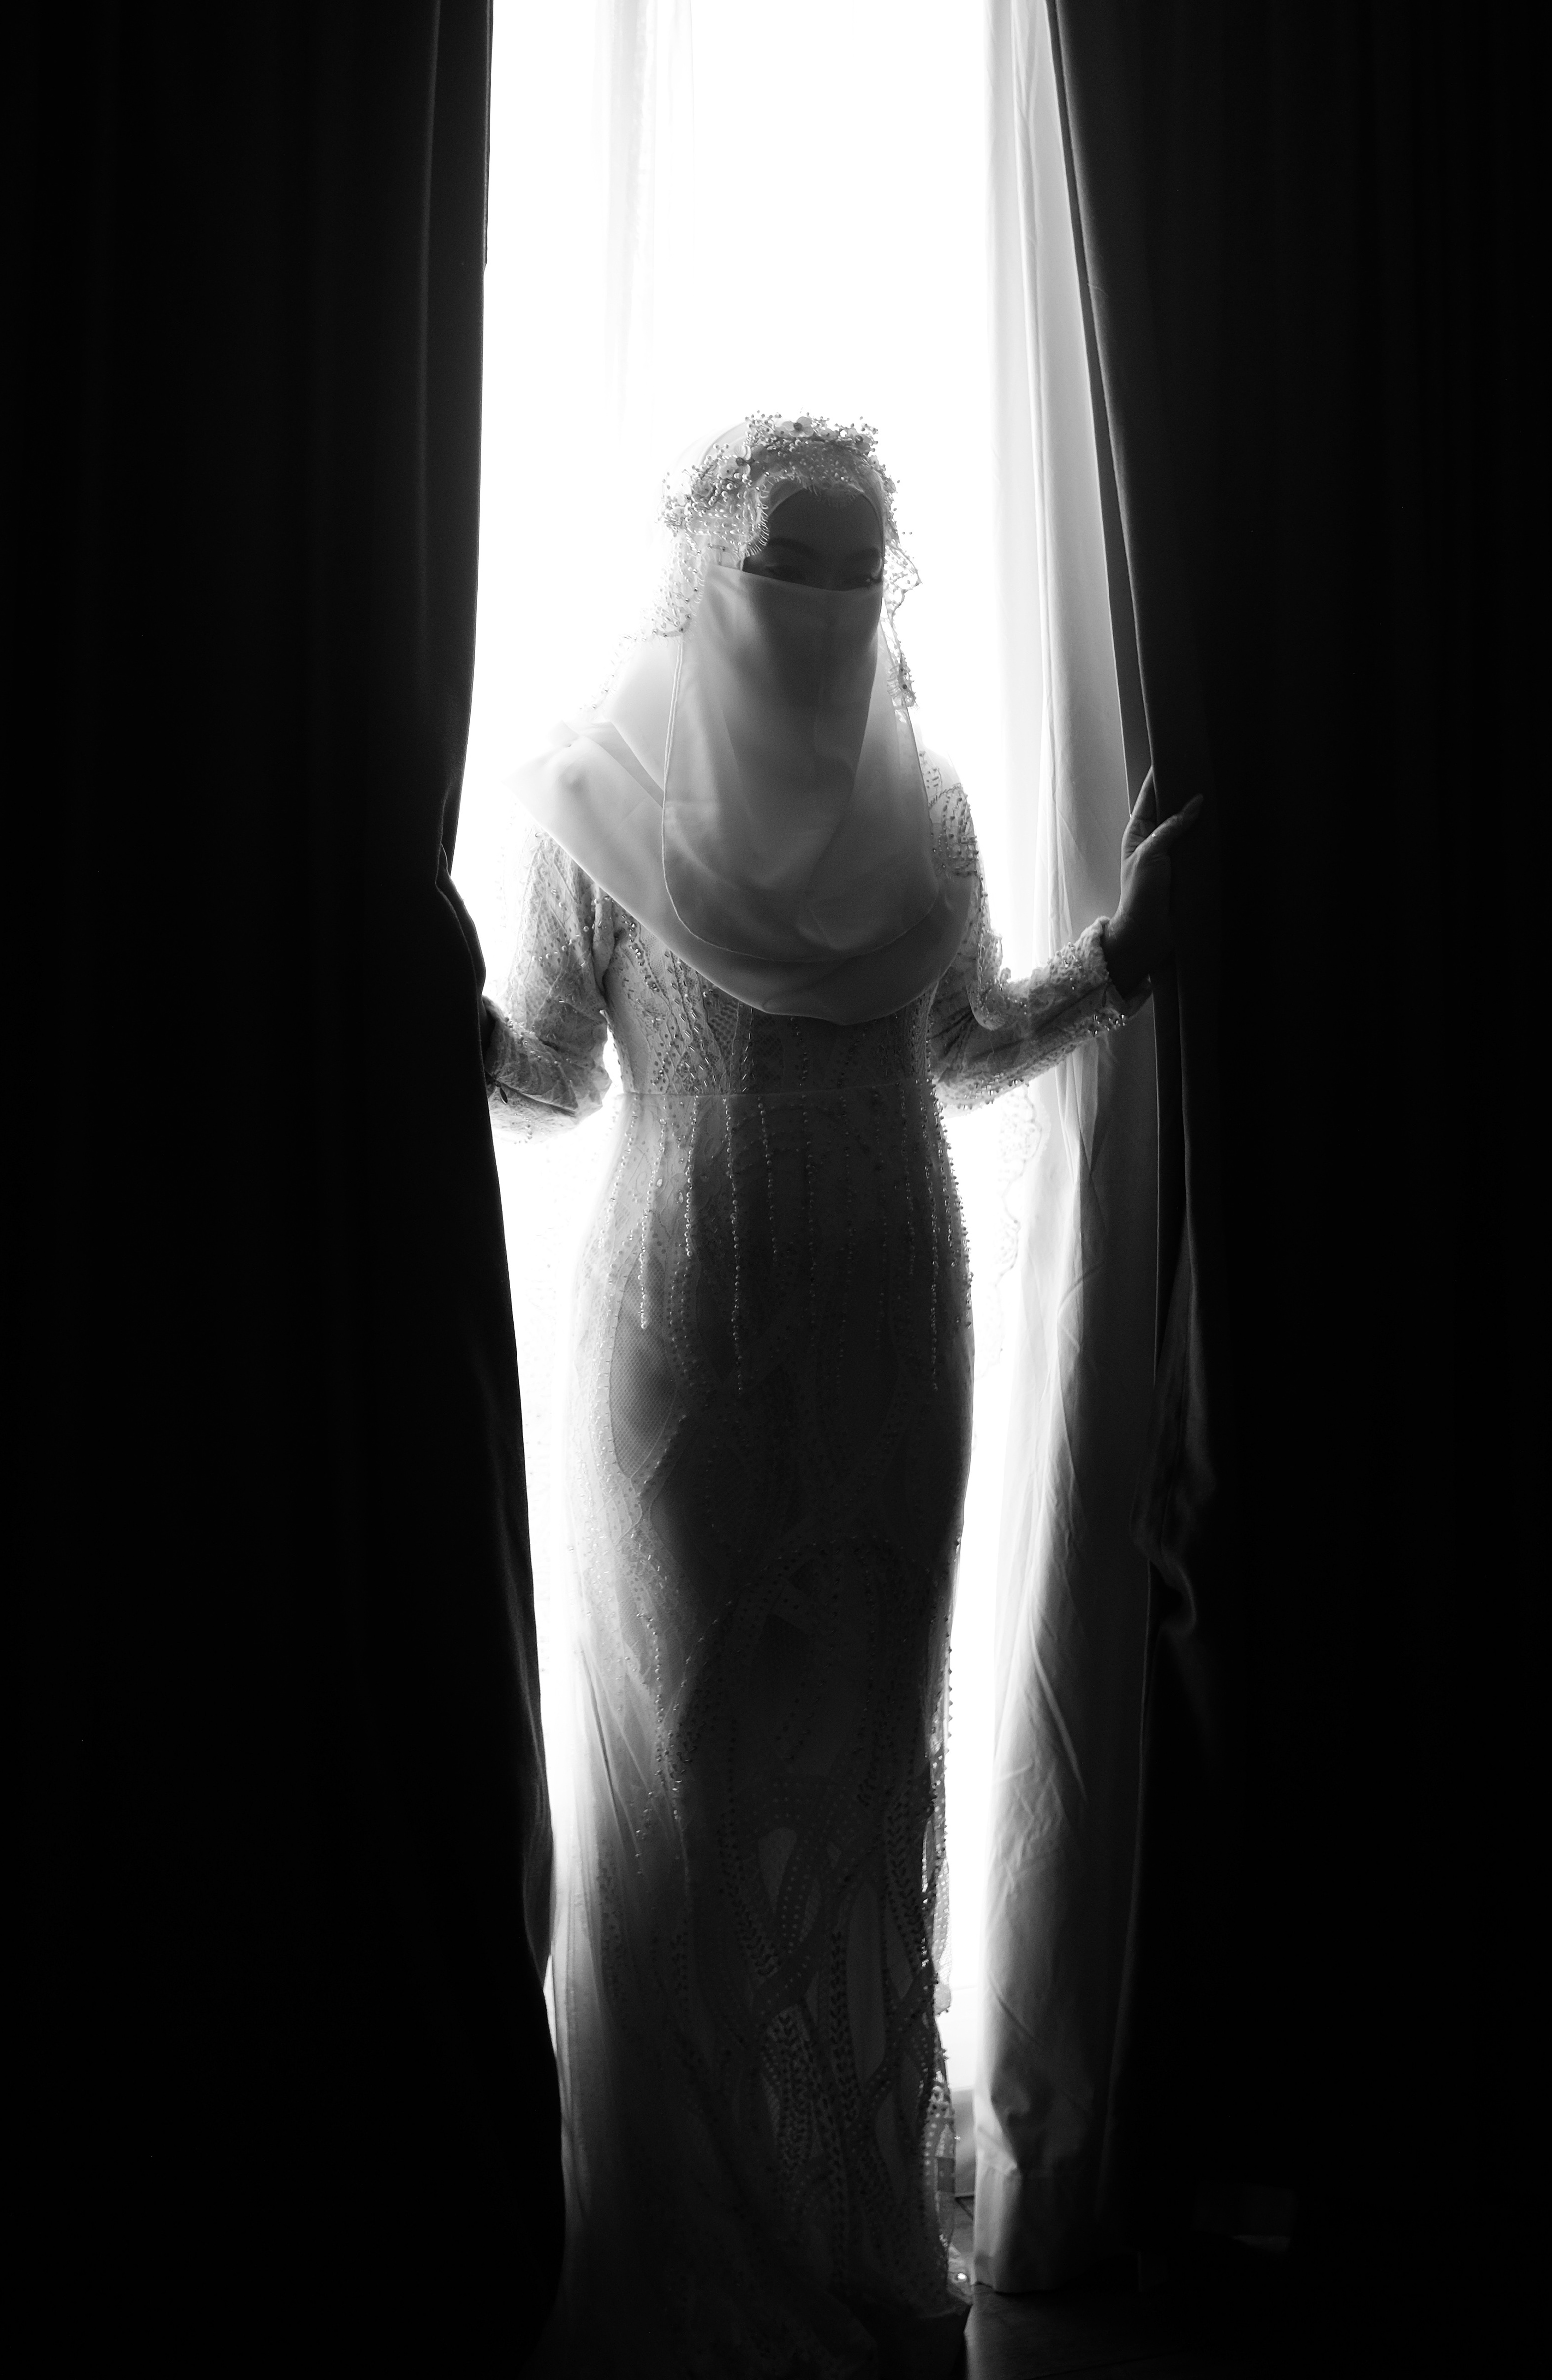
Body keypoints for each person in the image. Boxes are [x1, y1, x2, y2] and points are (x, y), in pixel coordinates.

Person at [484, 416, 1199, 2378]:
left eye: (857, 565)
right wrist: (413, 999)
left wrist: (1126, 960)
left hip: (899, 1329)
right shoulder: (599, 802)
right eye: (787, 561)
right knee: (697, 1771)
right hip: (682, 1342)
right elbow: (550, 1070)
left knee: (866, 1765)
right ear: (701, 574)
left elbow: (961, 1045)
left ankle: (843, 2217)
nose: (825, 599)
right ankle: (683, 2235)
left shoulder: (930, 811)